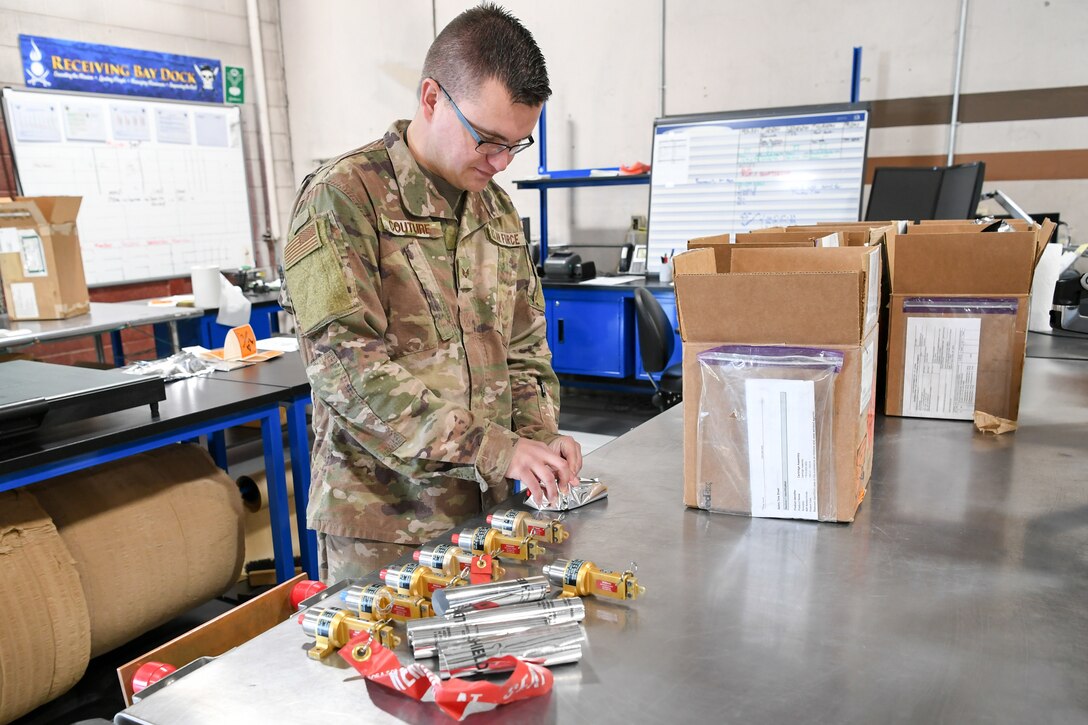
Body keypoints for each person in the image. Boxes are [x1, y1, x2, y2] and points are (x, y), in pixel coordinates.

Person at [281, 3, 582, 583]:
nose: (500, 162)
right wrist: (498, 448)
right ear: (430, 99)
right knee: (388, 672)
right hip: (386, 528)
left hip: (490, 513)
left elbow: (524, 350)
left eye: (516, 146)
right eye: (489, 140)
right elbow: (347, 371)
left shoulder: (496, 211)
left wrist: (541, 440)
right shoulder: (343, 198)